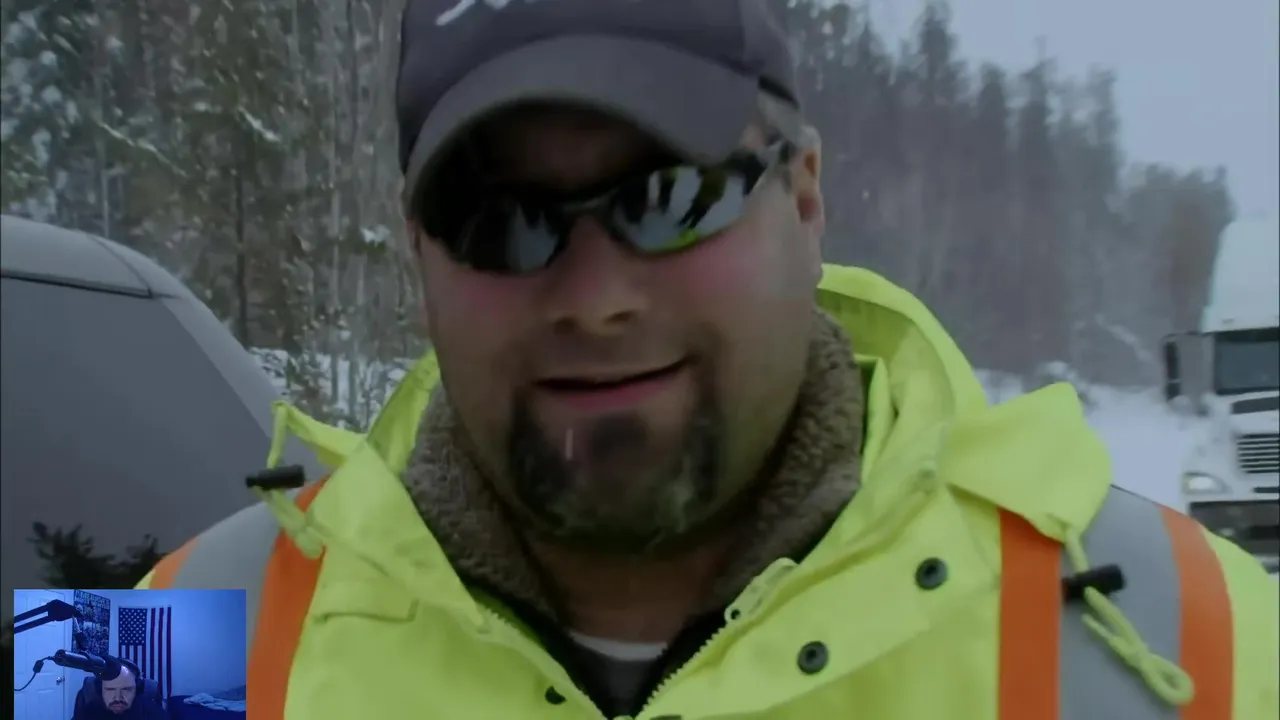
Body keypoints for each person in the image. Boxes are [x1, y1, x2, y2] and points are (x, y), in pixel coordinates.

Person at [138, 1, 1279, 718]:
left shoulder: (1199, 643)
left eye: (671, 197)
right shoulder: (166, 633)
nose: (594, 299)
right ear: (416, 250)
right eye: (500, 221)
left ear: (805, 198)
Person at [71, 662, 165, 720]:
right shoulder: (87, 713)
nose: (118, 697)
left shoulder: (152, 713)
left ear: (137, 689)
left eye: (126, 689)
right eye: (110, 689)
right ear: (100, 690)